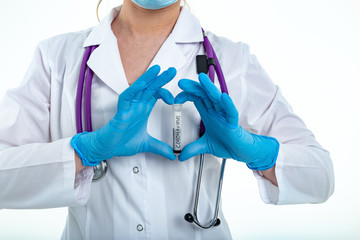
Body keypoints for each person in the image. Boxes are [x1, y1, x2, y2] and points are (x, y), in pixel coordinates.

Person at [0, 0, 334, 239]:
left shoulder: (232, 59)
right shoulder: (57, 57)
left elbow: (320, 176)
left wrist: (258, 153)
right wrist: (84, 152)